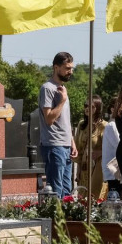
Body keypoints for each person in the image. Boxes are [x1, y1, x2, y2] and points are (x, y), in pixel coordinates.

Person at [38, 52, 77, 198]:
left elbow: (65, 119)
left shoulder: (62, 88)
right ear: (56, 67)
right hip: (54, 145)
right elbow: (49, 119)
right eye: (67, 68)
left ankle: (66, 220)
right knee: (56, 190)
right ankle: (56, 220)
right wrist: (61, 101)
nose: (70, 72)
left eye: (72, 68)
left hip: (65, 145)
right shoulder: (47, 88)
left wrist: (71, 141)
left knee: (67, 191)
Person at [74, 95, 106, 200]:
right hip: (84, 168)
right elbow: (78, 148)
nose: (87, 108)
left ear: (98, 108)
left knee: (95, 197)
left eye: (91, 106)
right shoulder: (81, 125)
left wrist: (100, 152)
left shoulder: (104, 126)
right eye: (86, 105)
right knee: (82, 198)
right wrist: (78, 169)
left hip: (97, 168)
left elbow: (111, 148)